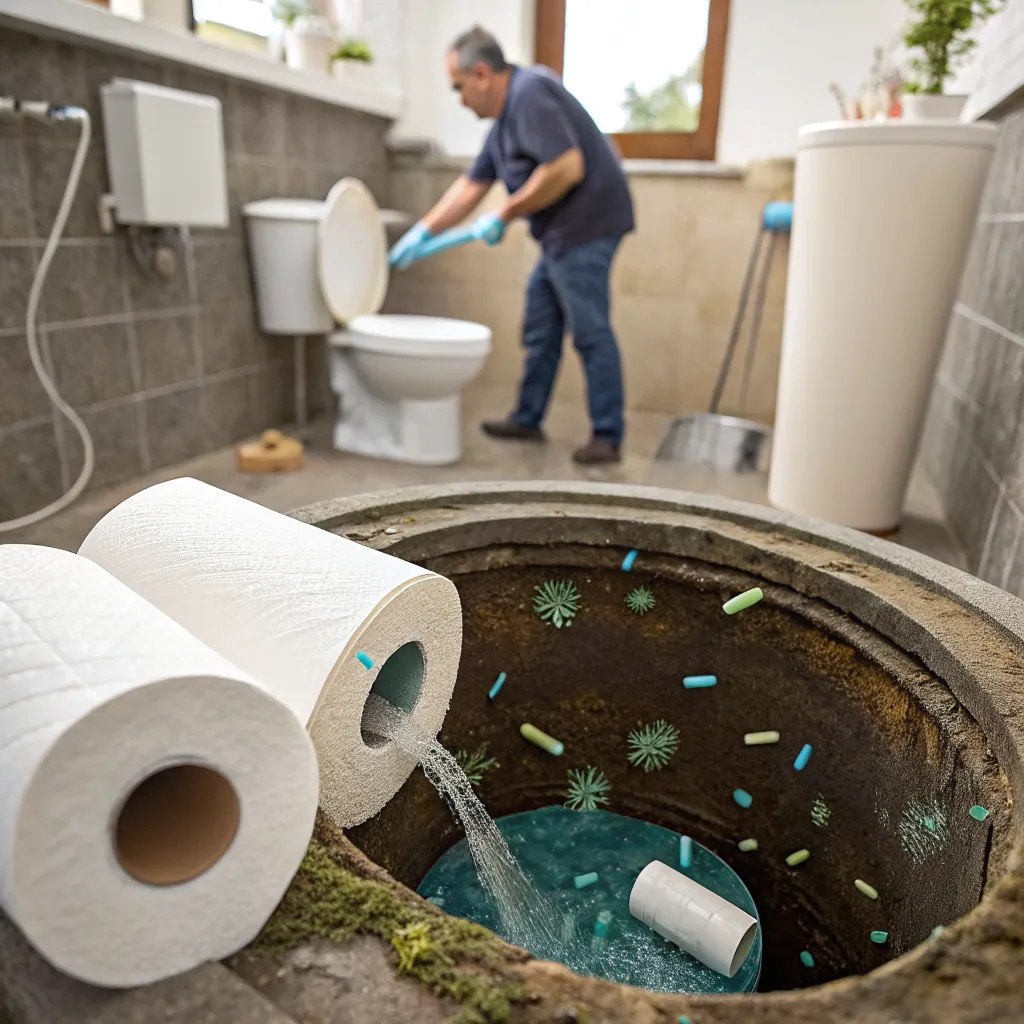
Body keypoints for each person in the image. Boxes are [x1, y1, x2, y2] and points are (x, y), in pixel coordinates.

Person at [389, 26, 635, 465]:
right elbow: (471, 185)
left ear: (481, 73)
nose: (460, 100)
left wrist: (504, 214)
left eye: (459, 87)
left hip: (588, 226)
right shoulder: (503, 123)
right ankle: (527, 417)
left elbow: (566, 167)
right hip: (560, 233)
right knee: (541, 323)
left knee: (590, 329)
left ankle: (607, 436)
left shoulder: (530, 93)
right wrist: (423, 230)